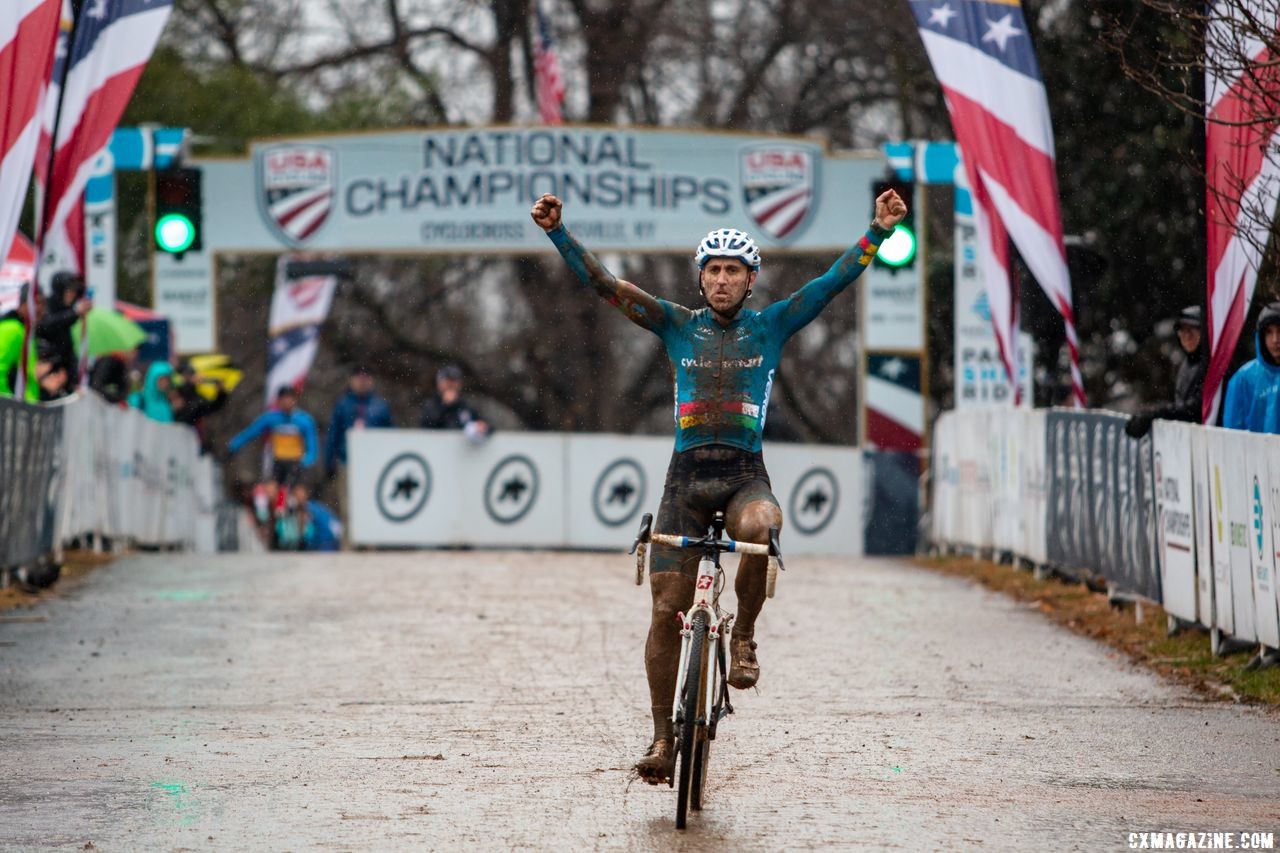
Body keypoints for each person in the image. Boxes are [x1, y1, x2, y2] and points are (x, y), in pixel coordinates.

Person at [531, 187, 907, 783]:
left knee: (762, 527)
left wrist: (878, 231)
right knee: (664, 613)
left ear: (751, 280)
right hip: (684, 483)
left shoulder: (773, 324)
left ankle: (746, 638)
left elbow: (833, 282)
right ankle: (661, 739)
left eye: (734, 270)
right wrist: (558, 233)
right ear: (700, 279)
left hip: (742, 476)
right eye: (714, 270)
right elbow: (604, 285)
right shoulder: (675, 324)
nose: (723, 280)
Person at [326, 366, 394, 529]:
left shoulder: (380, 406)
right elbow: (333, 434)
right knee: (348, 507)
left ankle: (371, 547)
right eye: (359, 379)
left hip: (374, 465)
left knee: (371, 505)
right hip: (347, 461)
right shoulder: (343, 405)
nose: (362, 383)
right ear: (352, 381)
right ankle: (348, 548)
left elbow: (391, 436)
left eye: (366, 379)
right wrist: (329, 461)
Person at [1125, 305, 1206, 438]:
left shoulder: (1211, 366)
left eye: (1192, 330)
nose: (1186, 336)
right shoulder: (1185, 363)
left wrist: (1156, 413)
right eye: (1182, 331)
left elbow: (1195, 410)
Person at [228, 386, 319, 488]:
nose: (287, 402)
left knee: (299, 495)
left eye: (289, 399)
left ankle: (297, 502)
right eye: (284, 399)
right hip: (278, 462)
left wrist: (305, 462)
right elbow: (251, 432)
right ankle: (279, 502)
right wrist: (234, 445)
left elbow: (312, 447)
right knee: (272, 492)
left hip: (297, 463)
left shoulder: (305, 420)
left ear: (295, 400)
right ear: (279, 401)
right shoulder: (271, 418)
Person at [1223, 301, 1280, 434]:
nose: (1275, 339)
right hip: (1253, 454)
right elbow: (1232, 432)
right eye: (1269, 332)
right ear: (1261, 336)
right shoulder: (1243, 378)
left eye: (1279, 331)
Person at [36, 271, 90, 392]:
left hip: (61, 379)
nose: (72, 294)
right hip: (43, 377)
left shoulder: (67, 313)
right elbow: (45, 326)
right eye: (69, 290)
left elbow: (68, 352)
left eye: (75, 291)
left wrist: (74, 381)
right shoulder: (46, 307)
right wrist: (74, 313)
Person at [420, 364, 490, 441]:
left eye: (454, 381)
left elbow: (484, 425)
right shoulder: (430, 404)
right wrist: (445, 406)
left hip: (462, 451)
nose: (451, 385)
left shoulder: (465, 405)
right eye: (447, 381)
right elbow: (426, 428)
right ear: (439, 383)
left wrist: (482, 427)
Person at [0, 285, 43, 402]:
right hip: (12, 413)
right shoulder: (13, 329)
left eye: (42, 303)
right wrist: (9, 406)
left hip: (25, 411)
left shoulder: (26, 331)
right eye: (35, 303)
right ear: (23, 304)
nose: (39, 309)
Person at [168, 375, 230, 454]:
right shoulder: (178, 416)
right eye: (172, 400)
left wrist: (220, 391)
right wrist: (191, 384)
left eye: (177, 397)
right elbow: (190, 414)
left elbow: (214, 406)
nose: (176, 401)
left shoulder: (193, 402)